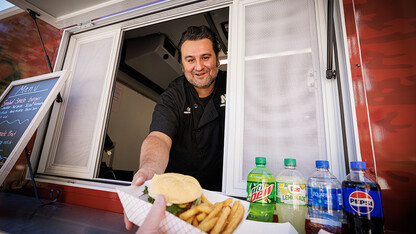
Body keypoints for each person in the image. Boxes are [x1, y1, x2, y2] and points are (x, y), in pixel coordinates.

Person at [125, 25, 226, 230]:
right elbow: (159, 138)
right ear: (182, 65)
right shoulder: (173, 95)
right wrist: (150, 168)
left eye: (205, 57)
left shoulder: (234, 84)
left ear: (217, 58)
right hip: (178, 197)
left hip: (222, 191)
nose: (199, 66)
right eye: (190, 60)